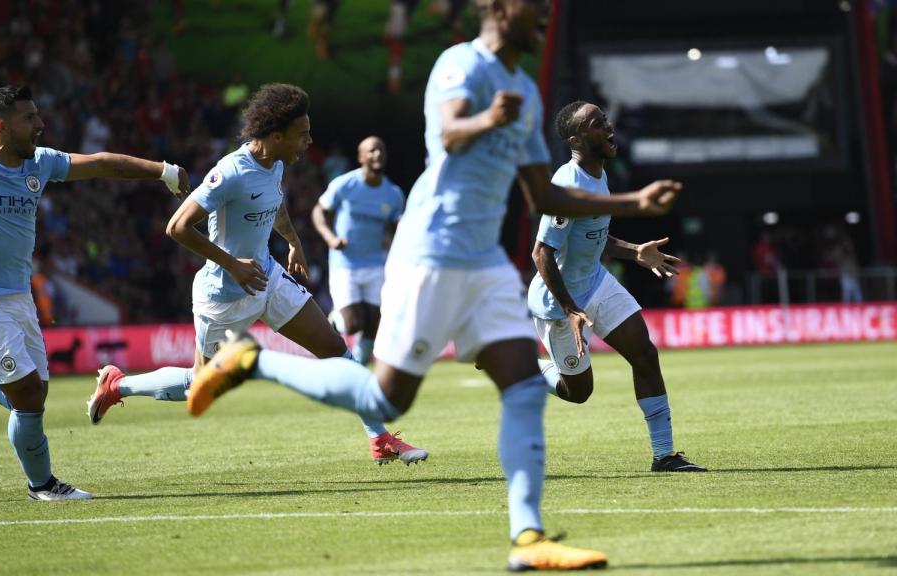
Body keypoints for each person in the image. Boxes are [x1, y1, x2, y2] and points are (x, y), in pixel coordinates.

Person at [188, 1, 681, 570]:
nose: (544, 14)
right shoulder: (460, 64)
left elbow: (543, 195)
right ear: (499, 8)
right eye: (532, 6)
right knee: (385, 400)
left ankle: (529, 539)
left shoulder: (525, 89)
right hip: (433, 249)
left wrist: (634, 203)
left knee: (524, 386)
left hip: (485, 258)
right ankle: (252, 362)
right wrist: (488, 119)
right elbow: (449, 131)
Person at [0, 75, 190, 500]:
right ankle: (42, 485)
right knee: (26, 397)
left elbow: (102, 163)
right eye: (29, 118)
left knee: (32, 397)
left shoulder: (40, 163)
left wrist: (163, 171)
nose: (41, 125)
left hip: (19, 300)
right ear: (1, 126)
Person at [86, 84, 427, 466]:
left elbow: (274, 205)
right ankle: (119, 385)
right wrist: (233, 264)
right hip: (224, 295)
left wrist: (294, 242)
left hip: (268, 278)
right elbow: (177, 227)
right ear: (276, 136)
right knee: (199, 384)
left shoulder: (276, 164)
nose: (309, 142)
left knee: (335, 349)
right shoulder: (230, 172)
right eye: (303, 134)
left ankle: (380, 439)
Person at [529, 100, 707, 473]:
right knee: (578, 393)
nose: (608, 126)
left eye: (605, 119)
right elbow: (541, 252)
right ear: (576, 139)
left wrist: (635, 252)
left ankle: (665, 456)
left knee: (644, 353)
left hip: (595, 282)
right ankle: (521, 364)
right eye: (596, 123)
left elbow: (593, 236)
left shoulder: (598, 173)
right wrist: (570, 308)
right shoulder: (568, 184)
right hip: (559, 302)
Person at [312, 136, 405, 366]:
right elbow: (318, 211)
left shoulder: (393, 194)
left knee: (374, 324)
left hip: (376, 264)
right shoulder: (345, 184)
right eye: (371, 150)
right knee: (353, 324)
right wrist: (330, 238)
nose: (377, 154)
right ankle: (335, 319)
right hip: (345, 264)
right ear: (361, 157)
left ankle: (358, 370)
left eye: (381, 150)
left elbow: (396, 227)